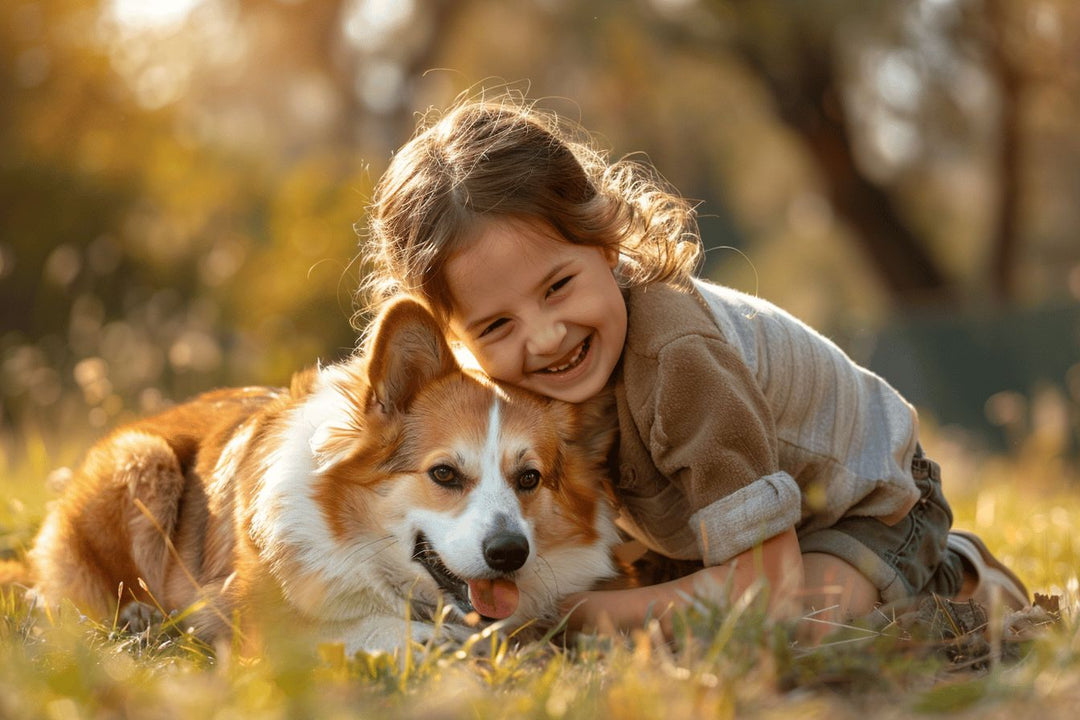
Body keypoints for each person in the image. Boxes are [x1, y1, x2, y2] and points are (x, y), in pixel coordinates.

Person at [357, 93, 1029, 638]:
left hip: (869, 508)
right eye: (497, 325)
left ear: (607, 236)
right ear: (458, 342)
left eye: (558, 286)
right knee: (668, 617)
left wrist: (574, 615)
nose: (546, 336)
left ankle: (959, 573)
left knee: (798, 624)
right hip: (709, 527)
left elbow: (769, 586)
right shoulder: (520, 400)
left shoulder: (678, 362)